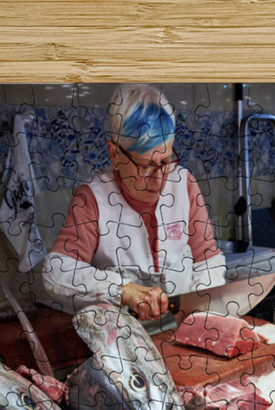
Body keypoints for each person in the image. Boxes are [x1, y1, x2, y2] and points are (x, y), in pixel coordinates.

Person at [42, 84, 227, 322]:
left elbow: (208, 262)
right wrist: (122, 290)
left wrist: (202, 319)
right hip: (120, 338)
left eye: (165, 161)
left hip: (182, 333)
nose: (159, 179)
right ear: (114, 154)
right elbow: (56, 271)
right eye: (145, 166)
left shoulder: (184, 184)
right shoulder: (92, 199)